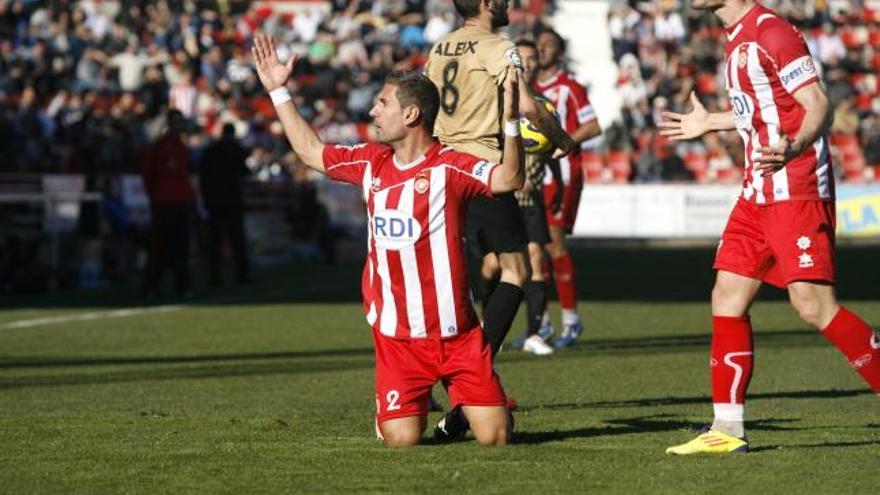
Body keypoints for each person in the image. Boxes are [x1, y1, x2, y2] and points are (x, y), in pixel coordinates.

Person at [252, 34, 525, 447]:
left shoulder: (449, 167)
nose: (372, 111)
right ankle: (401, 413)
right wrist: (277, 89)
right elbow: (310, 151)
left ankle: (464, 407)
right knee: (402, 440)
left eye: (383, 104)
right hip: (399, 338)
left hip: (458, 334)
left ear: (412, 114)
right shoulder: (370, 161)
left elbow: (509, 178)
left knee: (497, 438)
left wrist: (511, 120)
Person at [660, 0, 880, 454]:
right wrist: (712, 121)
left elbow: (817, 103)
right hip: (756, 190)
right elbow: (763, 110)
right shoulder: (736, 37)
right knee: (727, 295)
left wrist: (796, 145)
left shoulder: (770, 32)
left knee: (814, 307)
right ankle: (727, 428)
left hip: (795, 187)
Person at [424, 0, 574, 440]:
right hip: (483, 169)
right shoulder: (498, 46)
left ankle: (420, 387)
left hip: (442, 171)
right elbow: (528, 104)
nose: (509, 4)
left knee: (465, 278)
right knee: (518, 268)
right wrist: (560, 138)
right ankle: (472, 382)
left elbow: (429, 108)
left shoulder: (441, 47)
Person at [533, 28, 602, 348]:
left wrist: (560, 142)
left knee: (553, 244)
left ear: (559, 53)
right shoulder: (529, 89)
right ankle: (541, 323)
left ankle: (572, 321)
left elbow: (593, 125)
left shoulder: (570, 88)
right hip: (533, 174)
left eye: (550, 45)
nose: (543, 49)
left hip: (561, 172)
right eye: (540, 44)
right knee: (533, 249)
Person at [508, 39, 564, 356]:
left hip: (532, 201)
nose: (528, 64)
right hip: (500, 197)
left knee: (537, 262)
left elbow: (554, 151)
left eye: (532, 59)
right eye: (523, 59)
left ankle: (533, 333)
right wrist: (511, 174)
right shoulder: (496, 102)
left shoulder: (545, 106)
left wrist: (557, 180)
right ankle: (492, 331)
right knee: (493, 267)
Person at [141, 109, 195, 298]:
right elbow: (149, 174)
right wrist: (155, 196)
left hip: (177, 201)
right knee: (160, 247)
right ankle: (152, 286)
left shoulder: (179, 146)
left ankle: (181, 286)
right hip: (164, 203)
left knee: (180, 247)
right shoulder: (161, 147)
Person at [199, 123, 252, 287]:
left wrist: (206, 199)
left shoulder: (211, 150)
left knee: (215, 240)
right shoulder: (235, 148)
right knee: (237, 239)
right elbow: (244, 172)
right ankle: (242, 274)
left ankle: (214, 277)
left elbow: (203, 176)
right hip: (232, 199)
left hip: (215, 201)